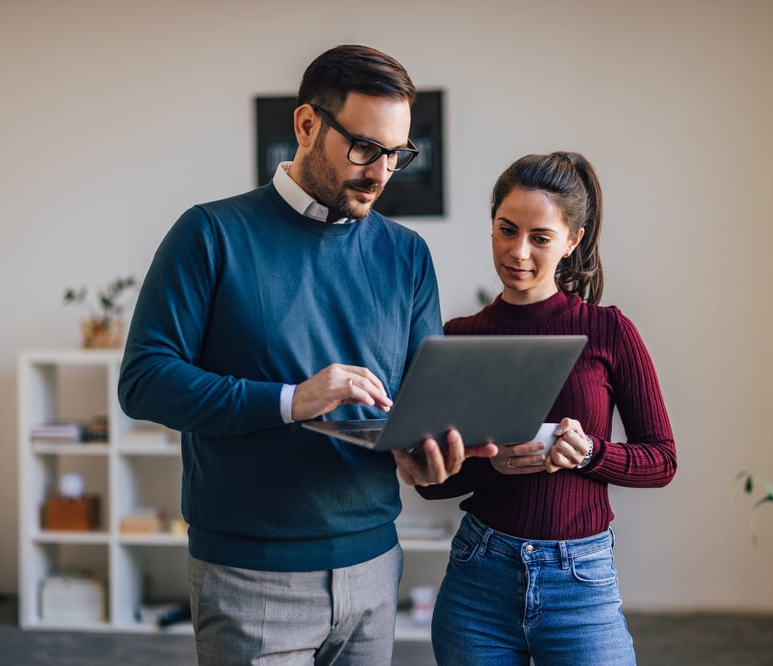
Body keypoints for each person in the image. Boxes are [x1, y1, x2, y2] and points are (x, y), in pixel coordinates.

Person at [116, 44, 496, 665]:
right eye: (364, 147)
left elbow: (419, 402)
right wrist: (293, 400)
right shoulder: (209, 234)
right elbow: (145, 380)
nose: (379, 172)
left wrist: (426, 457)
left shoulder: (407, 255)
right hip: (248, 576)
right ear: (306, 125)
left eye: (396, 155)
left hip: (374, 567)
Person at [416, 151, 677, 666]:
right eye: (507, 230)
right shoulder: (459, 339)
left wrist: (590, 455)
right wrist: (490, 466)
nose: (519, 252)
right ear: (491, 226)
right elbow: (430, 483)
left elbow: (662, 460)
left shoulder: (609, 331)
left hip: (581, 582)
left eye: (540, 237)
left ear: (572, 241)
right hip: (478, 578)